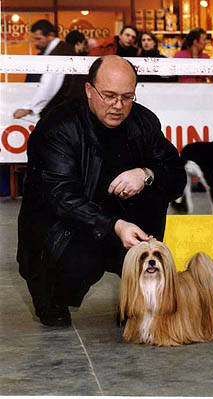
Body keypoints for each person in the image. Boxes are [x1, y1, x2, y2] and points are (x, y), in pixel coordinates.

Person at [17, 55, 186, 327]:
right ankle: (52, 297)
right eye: (109, 96)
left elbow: (177, 176)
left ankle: (138, 295)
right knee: (61, 297)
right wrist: (115, 225)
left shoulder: (144, 122)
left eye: (127, 97)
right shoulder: (57, 127)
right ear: (88, 90)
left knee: (156, 189)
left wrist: (146, 174)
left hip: (123, 224)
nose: (118, 106)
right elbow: (61, 198)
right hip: (66, 231)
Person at [13, 20, 77, 120]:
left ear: (51, 35)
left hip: (62, 112)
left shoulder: (59, 53)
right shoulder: (62, 49)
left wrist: (29, 108)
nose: (36, 43)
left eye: (39, 39)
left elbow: (50, 84)